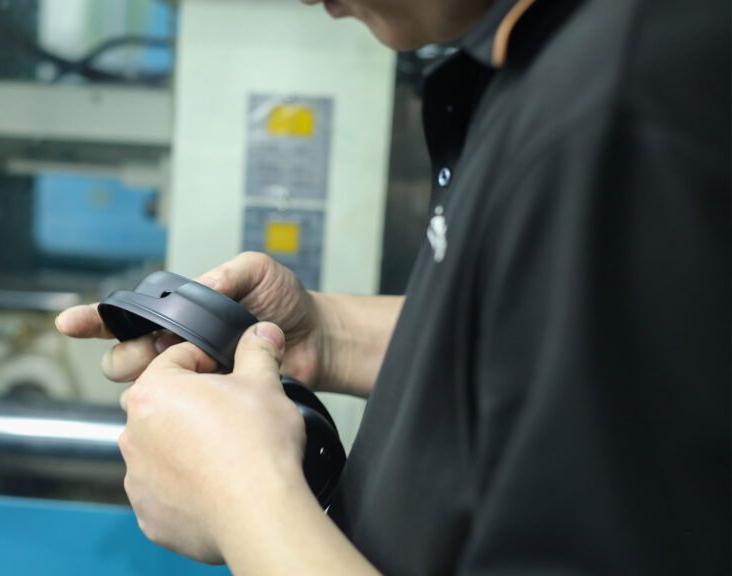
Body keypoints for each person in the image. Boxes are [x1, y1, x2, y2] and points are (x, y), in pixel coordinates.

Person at [55, 0, 730, 573]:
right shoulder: (555, 61)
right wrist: (327, 338)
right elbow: (567, 358)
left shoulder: (620, 113)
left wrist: (244, 500)